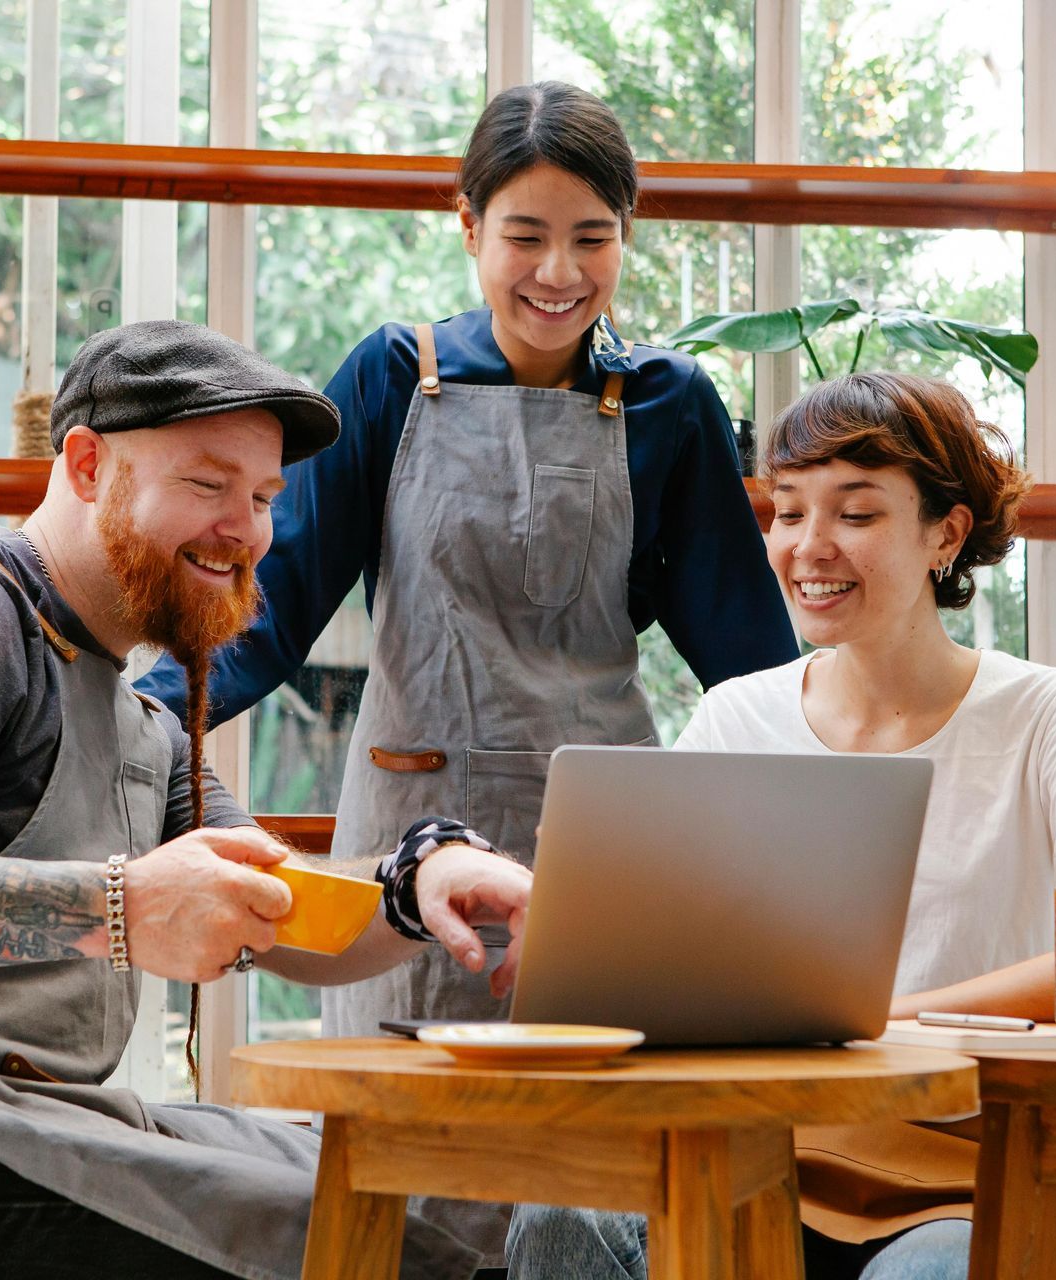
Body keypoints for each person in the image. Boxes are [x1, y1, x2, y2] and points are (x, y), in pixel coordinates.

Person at [0, 321, 534, 1280]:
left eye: (262, 497)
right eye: (207, 485)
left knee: (413, 1207)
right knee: (362, 1251)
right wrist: (121, 908)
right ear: (84, 465)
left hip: (6, 1135)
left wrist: (420, 879)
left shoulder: (139, 723)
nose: (244, 529)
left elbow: (280, 915)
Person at [137, 80, 797, 1043]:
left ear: (627, 233)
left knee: (597, 1161)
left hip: (604, 839)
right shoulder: (392, 375)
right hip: (411, 840)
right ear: (469, 227)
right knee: (406, 1157)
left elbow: (749, 664)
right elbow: (270, 612)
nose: (559, 271)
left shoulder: (671, 401)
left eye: (593, 236)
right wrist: (136, 716)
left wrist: (845, 808)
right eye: (525, 236)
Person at [506, 372, 1056, 1280]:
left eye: (855, 514)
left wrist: (869, 1026)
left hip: (982, 1166)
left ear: (945, 534)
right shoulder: (736, 717)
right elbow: (655, 950)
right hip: (762, 1154)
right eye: (788, 510)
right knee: (559, 1218)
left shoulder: (1051, 714)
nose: (810, 547)